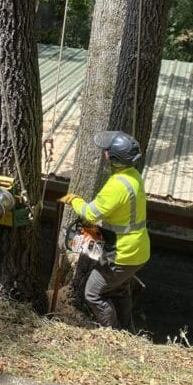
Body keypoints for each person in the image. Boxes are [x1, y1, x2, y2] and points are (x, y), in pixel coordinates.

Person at [61, 131, 150, 329]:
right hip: (139, 250)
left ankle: (114, 333)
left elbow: (91, 213)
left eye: (107, 152)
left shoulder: (116, 186)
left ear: (114, 159)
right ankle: (128, 331)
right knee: (118, 290)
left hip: (123, 253)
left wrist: (75, 200)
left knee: (93, 293)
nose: (105, 154)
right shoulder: (133, 175)